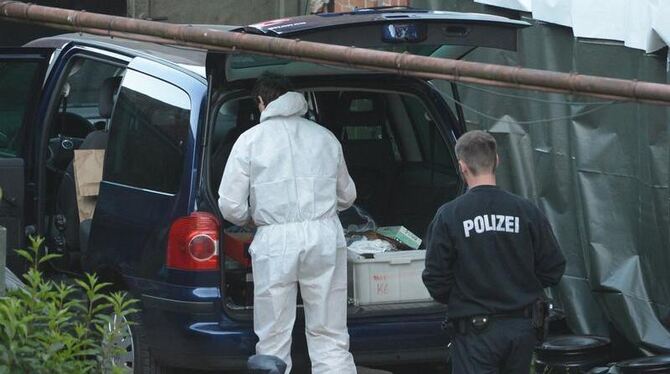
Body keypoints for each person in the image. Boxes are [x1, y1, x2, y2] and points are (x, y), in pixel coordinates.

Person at [218, 72, 358, 374]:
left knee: (273, 338)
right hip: (323, 236)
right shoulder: (324, 137)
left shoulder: (249, 142)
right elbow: (347, 195)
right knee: (331, 335)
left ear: (260, 102)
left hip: (274, 241)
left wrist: (253, 219)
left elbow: (230, 206)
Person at [422, 130, 566, 374]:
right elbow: (553, 268)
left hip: (476, 333)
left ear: (462, 166)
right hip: (523, 328)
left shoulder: (449, 215)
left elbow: (435, 279)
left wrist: (466, 296)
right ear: (497, 160)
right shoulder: (526, 211)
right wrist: (520, 287)